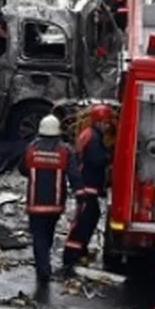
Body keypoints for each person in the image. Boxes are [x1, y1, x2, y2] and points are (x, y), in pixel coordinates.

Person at [18, 114, 78, 284]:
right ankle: (44, 265)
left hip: (35, 203)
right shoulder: (65, 151)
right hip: (55, 205)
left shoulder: (31, 148)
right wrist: (81, 193)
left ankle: (42, 267)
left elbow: (22, 169)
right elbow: (74, 175)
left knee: (38, 236)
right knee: (48, 234)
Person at [63, 104, 112, 272]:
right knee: (84, 220)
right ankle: (71, 255)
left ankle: (80, 250)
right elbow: (96, 160)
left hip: (87, 185)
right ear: (99, 121)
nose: (107, 126)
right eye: (105, 123)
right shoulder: (93, 138)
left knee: (90, 217)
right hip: (87, 185)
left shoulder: (89, 134)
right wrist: (109, 157)